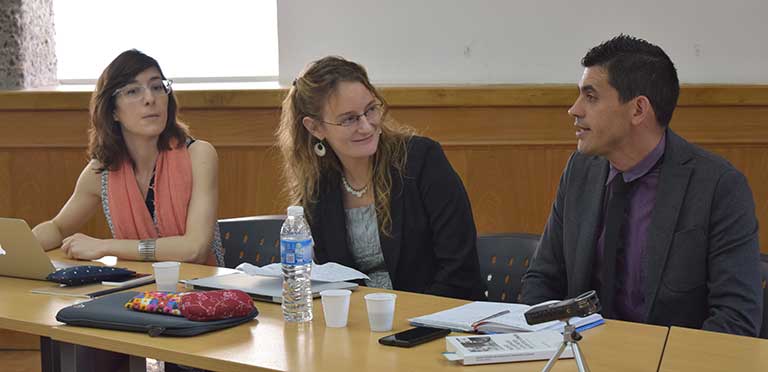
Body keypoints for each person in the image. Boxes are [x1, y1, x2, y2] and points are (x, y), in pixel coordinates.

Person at [520, 35, 763, 336]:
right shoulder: (580, 170)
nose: (574, 110)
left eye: (591, 97)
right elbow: (542, 279)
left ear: (638, 110)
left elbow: (735, 318)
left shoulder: (719, 187)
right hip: (579, 356)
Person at [276, 56, 485, 300]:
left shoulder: (422, 160)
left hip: (435, 318)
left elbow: (459, 272)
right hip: (357, 325)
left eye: (371, 109)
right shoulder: (319, 186)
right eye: (350, 119)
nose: (367, 126)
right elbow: (332, 279)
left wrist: (404, 323)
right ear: (315, 128)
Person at [33, 49, 223, 266]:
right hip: (135, 292)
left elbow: (194, 250)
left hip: (198, 293)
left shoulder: (198, 155)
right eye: (133, 91)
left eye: (157, 87)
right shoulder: (102, 171)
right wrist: (12, 250)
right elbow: (57, 228)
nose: (150, 99)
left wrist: (105, 246)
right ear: (113, 111)